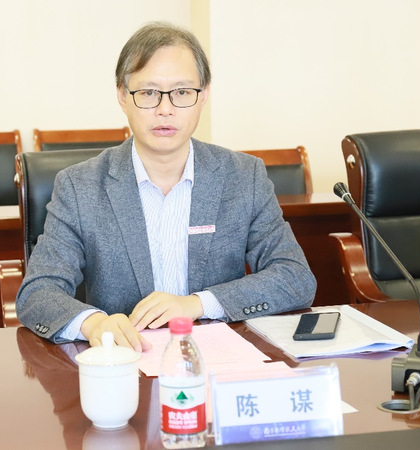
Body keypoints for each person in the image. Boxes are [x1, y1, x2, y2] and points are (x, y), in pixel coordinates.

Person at [16, 21, 316, 352]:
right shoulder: (80, 186)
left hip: (218, 361)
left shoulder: (243, 177)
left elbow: (295, 277)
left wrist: (198, 303)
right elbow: (38, 292)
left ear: (204, 95)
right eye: (148, 93)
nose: (165, 109)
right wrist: (94, 323)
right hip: (126, 362)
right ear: (122, 96)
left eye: (182, 92)